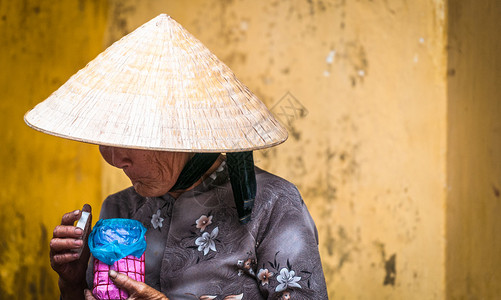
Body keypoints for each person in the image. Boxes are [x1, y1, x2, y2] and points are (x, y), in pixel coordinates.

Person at [26, 14, 328, 300]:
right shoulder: (121, 209)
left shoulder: (273, 206)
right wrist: (72, 282)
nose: (116, 159)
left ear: (187, 136)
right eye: (108, 139)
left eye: (135, 140)